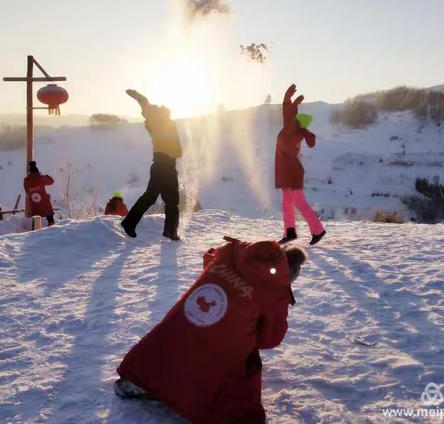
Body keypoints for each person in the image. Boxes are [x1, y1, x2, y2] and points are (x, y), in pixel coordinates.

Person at [114, 237, 306, 424]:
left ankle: (140, 380)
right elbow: (270, 339)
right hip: (218, 351)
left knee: (170, 338)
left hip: (182, 325)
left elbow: (208, 257)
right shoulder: (275, 290)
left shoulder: (233, 253)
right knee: (239, 372)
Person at [120, 89, 183, 240]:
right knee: (166, 200)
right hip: (163, 165)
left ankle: (167, 230)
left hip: (166, 166)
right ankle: (168, 231)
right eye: (163, 111)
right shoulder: (158, 123)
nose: (166, 111)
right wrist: (140, 97)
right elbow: (147, 107)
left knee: (162, 199)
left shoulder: (165, 124)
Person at [275, 84, 326, 245]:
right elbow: (289, 117)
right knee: (287, 203)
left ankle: (318, 230)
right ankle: (290, 232)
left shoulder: (292, 132)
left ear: (297, 124)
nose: (292, 120)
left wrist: (288, 101)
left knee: (299, 202)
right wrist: (291, 103)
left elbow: (288, 117)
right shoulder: (294, 131)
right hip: (287, 172)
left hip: (292, 173)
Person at [23, 161, 55, 226]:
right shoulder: (41, 178)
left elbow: (27, 192)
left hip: (35, 205)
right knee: (50, 220)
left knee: (36, 223)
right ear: (37, 171)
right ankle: (52, 232)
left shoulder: (26, 181)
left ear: (29, 172)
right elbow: (51, 181)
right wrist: (45, 176)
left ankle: (35, 233)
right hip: (45, 204)